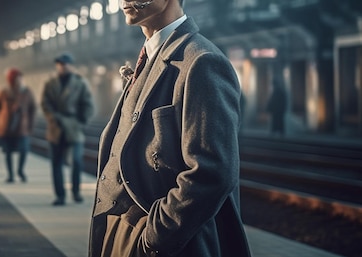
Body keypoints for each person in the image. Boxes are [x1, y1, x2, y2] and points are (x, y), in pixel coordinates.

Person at [88, 0, 251, 256]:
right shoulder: (151, 55)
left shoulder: (202, 62)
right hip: (117, 232)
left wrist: (153, 238)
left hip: (156, 241)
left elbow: (211, 173)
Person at [41, 53, 94, 206]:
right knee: (56, 163)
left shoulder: (80, 83)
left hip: (73, 126)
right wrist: (52, 118)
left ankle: (76, 192)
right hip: (55, 127)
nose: (61, 67)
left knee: (77, 161)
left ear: (71, 65)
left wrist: (81, 121)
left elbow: (88, 104)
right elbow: (45, 104)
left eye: (64, 64)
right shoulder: (51, 84)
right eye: (59, 64)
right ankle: (60, 196)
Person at [0, 68, 36, 183]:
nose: (19, 80)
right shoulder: (4, 92)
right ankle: (10, 175)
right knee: (8, 152)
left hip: (22, 127)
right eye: (17, 78)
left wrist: (30, 124)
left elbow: (32, 108)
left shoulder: (26, 91)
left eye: (20, 78)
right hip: (7, 127)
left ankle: (20, 170)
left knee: (24, 150)